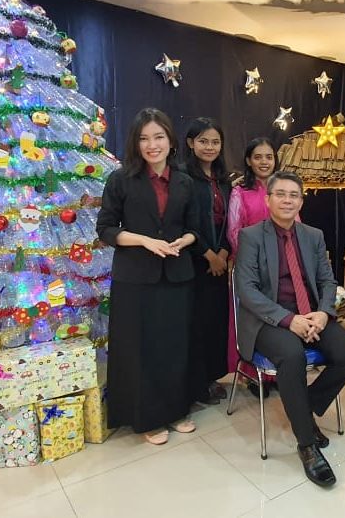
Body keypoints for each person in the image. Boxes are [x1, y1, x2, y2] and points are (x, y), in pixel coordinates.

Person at [233, 171, 345, 487]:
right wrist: (288, 319)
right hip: (269, 319)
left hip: (311, 314)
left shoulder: (313, 235)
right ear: (268, 200)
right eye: (280, 194)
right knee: (293, 355)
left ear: (301, 202)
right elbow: (246, 289)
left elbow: (327, 280)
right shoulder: (251, 236)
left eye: (294, 195)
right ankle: (306, 444)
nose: (287, 200)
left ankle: (303, 407)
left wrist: (323, 313)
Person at [96, 107, 200, 445]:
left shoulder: (185, 181)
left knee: (174, 346)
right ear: (135, 143)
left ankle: (176, 410)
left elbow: (195, 229)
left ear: (170, 141)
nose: (152, 145)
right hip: (135, 278)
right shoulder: (120, 180)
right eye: (144, 139)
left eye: (158, 137)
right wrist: (144, 241)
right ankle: (148, 419)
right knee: (140, 349)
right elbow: (106, 229)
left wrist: (184, 241)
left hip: (177, 276)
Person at [226, 138, 286, 395]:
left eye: (269, 157)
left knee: (280, 319)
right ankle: (253, 375)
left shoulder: (283, 189)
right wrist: (257, 261)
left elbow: (295, 225)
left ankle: (280, 372)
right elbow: (234, 231)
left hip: (282, 267)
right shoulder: (240, 192)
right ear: (249, 161)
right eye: (258, 157)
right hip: (251, 269)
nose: (264, 162)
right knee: (253, 321)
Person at [182, 117, 232, 406]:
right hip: (193, 262)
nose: (210, 147)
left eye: (215, 142)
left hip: (220, 263)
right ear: (191, 143)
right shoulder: (182, 177)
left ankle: (212, 378)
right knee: (196, 324)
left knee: (215, 322)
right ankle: (196, 383)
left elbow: (231, 221)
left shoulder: (224, 180)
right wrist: (208, 254)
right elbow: (183, 222)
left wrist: (223, 253)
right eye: (203, 141)